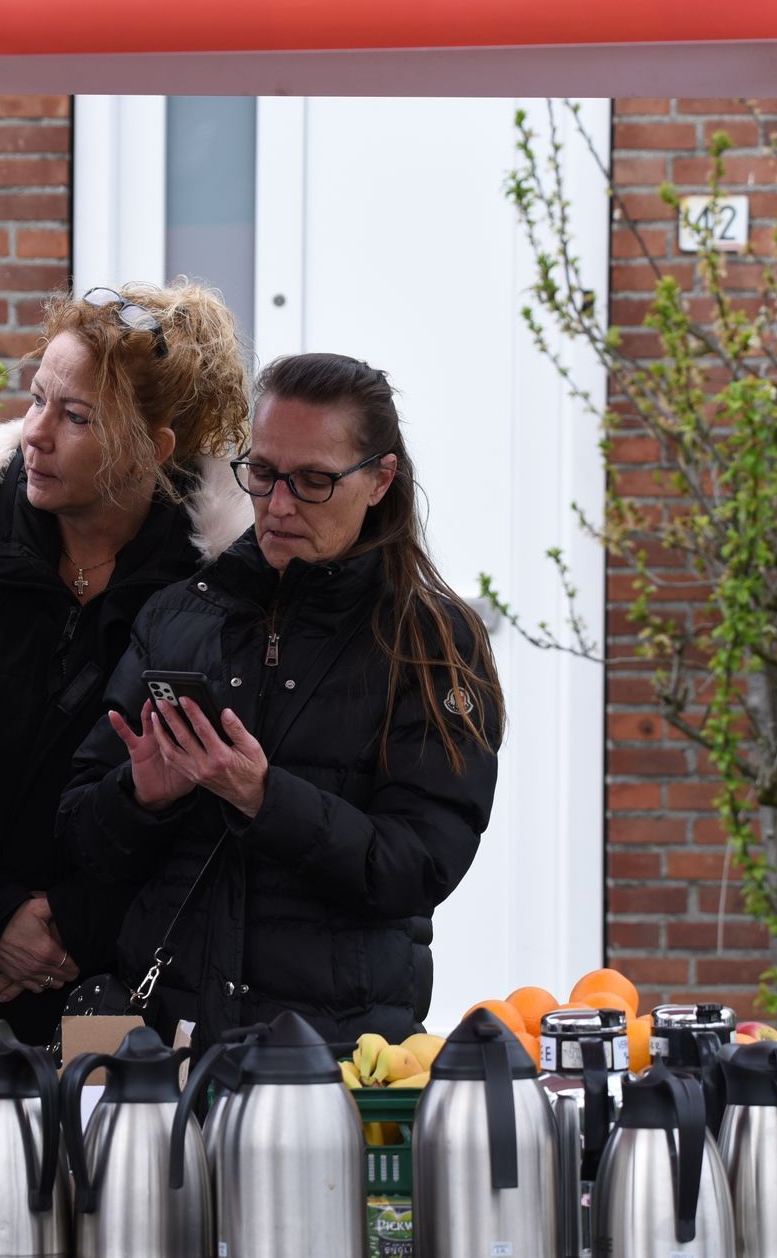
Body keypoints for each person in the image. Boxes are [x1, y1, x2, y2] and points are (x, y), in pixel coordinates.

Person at [0, 282, 253, 1127]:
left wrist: (66, 927)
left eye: (76, 417)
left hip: (133, 993)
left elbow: (211, 807)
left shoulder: (221, 590)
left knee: (116, 1210)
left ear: (153, 446)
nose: (34, 432)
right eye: (37, 398)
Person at [58, 352, 505, 1047]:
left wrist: (264, 796)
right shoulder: (178, 615)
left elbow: (417, 868)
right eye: (263, 474)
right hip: (159, 1047)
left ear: (380, 479)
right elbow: (81, 838)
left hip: (334, 1057)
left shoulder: (430, 641)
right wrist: (141, 795)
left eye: (316, 481)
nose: (280, 504)